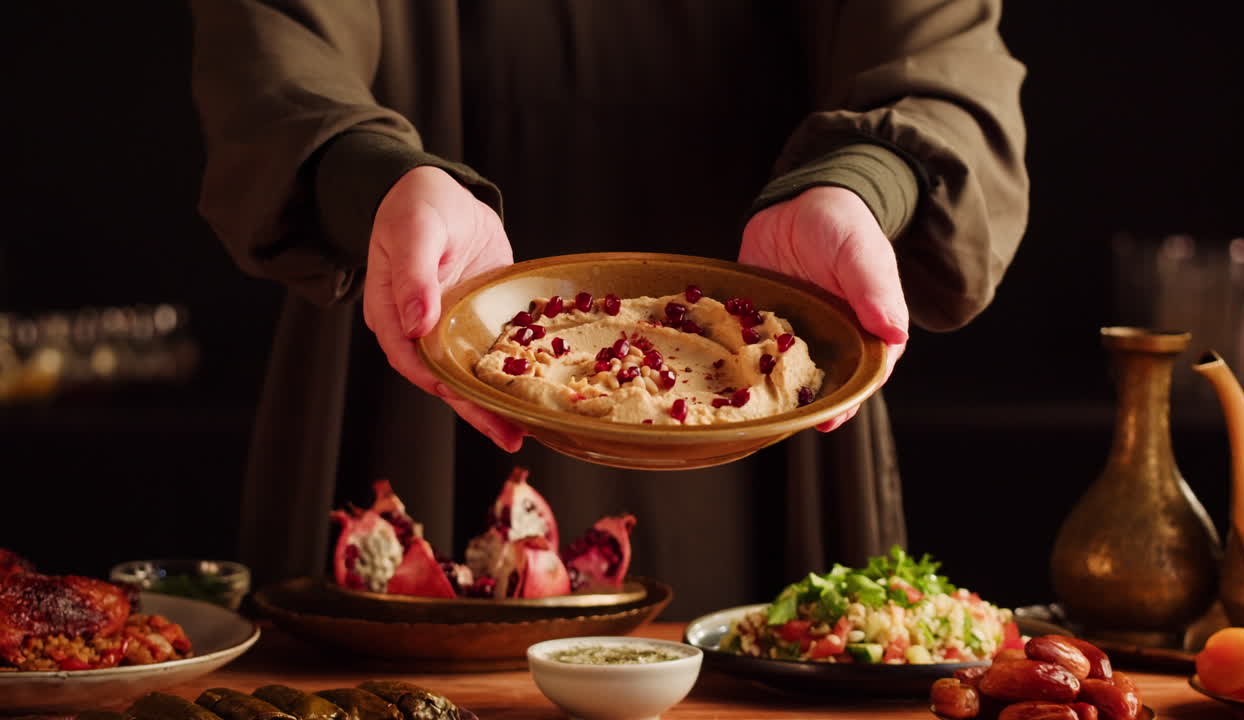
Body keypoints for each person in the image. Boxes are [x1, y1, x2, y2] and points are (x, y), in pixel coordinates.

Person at [189, 0, 1027, 618]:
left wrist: (865, 185)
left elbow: (946, 63)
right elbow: (271, 45)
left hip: (778, 350)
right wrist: (370, 179)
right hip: (425, 328)